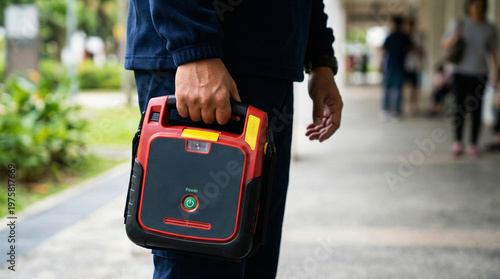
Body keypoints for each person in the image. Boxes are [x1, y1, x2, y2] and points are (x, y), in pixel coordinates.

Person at [125, 1, 343, 278]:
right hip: (204, 63)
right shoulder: (196, 51)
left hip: (272, 67)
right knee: (201, 261)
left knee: (252, 251)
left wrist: (320, 60)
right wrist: (193, 49)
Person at [442, 0, 498, 158]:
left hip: (480, 73)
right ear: (469, 6)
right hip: (460, 71)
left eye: (480, 5)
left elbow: (493, 51)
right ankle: (458, 142)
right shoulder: (459, 23)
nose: (477, 8)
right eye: (474, 5)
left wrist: (496, 71)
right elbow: (444, 43)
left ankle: (473, 143)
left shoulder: (490, 27)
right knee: (459, 107)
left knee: (476, 110)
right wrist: (454, 38)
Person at [381, 16, 414, 121]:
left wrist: (381, 64)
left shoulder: (389, 37)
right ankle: (396, 110)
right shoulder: (405, 37)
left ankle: (385, 109)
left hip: (390, 66)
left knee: (387, 89)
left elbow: (384, 52)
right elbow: (411, 49)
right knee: (398, 89)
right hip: (400, 66)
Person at [404, 19, 423, 116]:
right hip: (406, 66)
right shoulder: (403, 38)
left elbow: (420, 50)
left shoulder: (416, 38)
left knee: (415, 87)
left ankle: (413, 107)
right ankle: (408, 105)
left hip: (415, 66)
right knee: (407, 87)